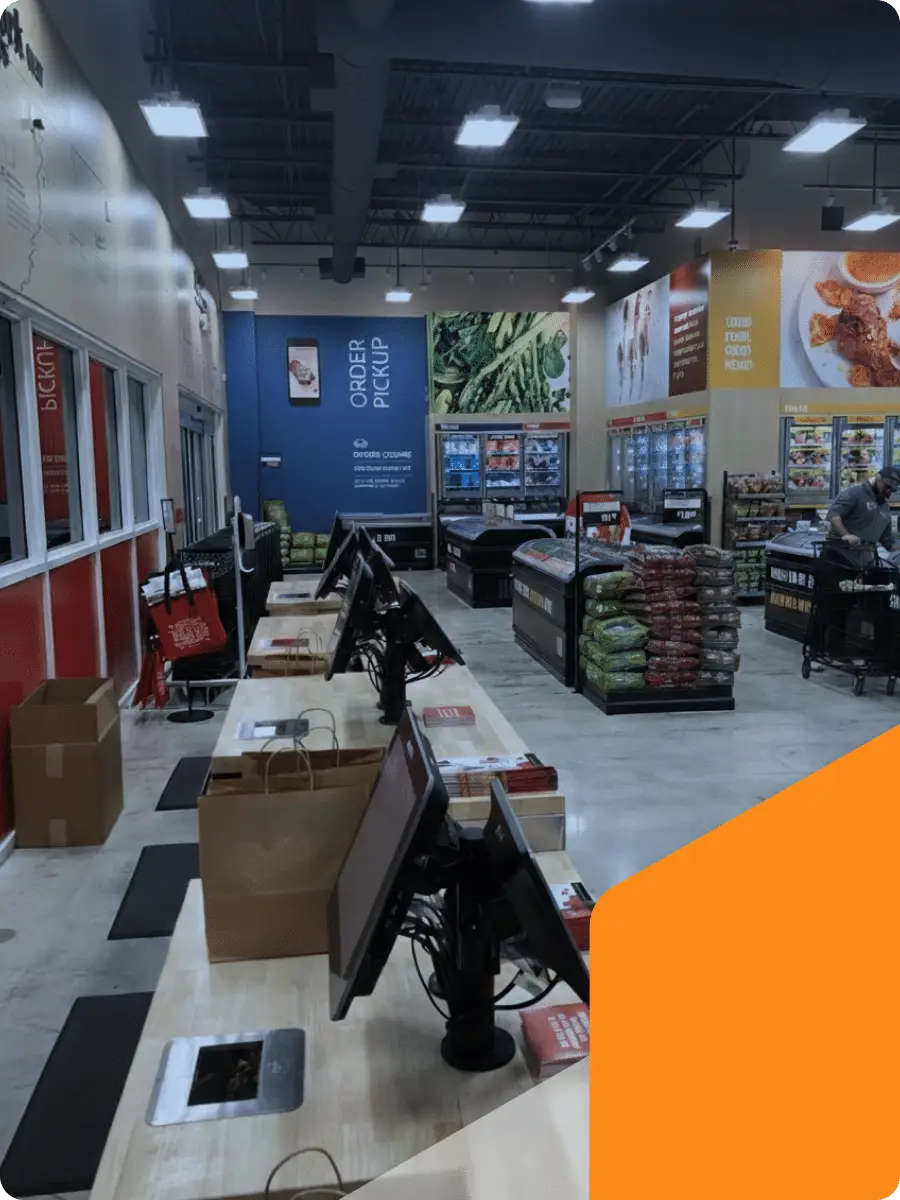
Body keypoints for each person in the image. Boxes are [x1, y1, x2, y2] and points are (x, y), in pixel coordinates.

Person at [826, 467, 899, 554]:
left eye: (892, 490)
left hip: (865, 558)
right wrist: (846, 535)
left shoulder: (884, 508)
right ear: (878, 478)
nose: (888, 491)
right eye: (887, 486)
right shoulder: (855, 493)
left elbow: (888, 542)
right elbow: (833, 514)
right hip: (840, 553)